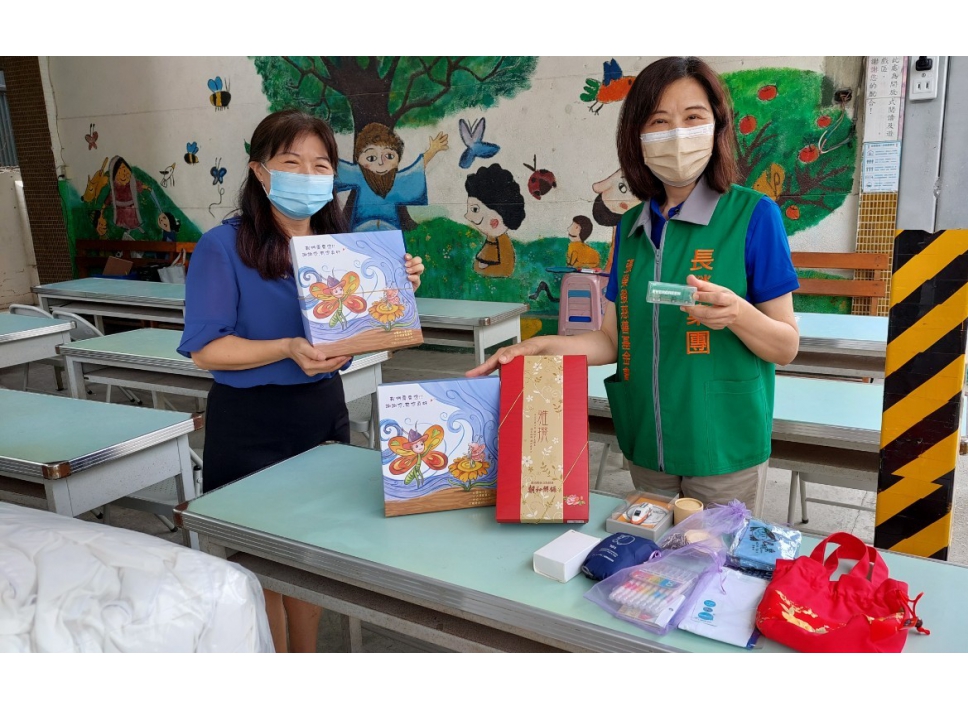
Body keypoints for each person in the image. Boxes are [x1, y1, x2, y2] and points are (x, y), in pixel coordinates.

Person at [468, 57, 800, 512]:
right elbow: (611, 340)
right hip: (647, 440)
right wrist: (541, 347)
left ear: (717, 126)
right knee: (649, 553)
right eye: (659, 121)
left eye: (693, 117)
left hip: (722, 441)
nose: (677, 134)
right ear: (637, 136)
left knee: (712, 556)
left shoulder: (754, 215)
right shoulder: (629, 227)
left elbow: (785, 346)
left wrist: (738, 313)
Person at [178, 109, 425, 652]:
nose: (308, 175)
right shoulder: (223, 246)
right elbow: (205, 349)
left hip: (321, 414)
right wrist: (286, 348)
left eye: (321, 165)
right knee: (260, 569)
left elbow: (360, 331)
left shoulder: (343, 246)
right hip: (250, 426)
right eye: (291, 162)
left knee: (312, 559)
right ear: (260, 171)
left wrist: (397, 289)